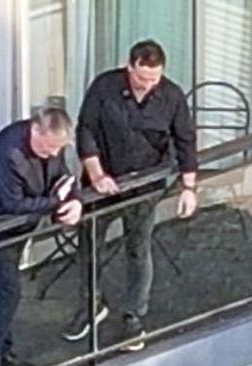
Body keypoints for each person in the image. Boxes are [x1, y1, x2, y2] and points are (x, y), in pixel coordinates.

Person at [61, 40, 198, 351]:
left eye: (154, 79)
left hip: (145, 184)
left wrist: (188, 187)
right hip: (103, 182)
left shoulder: (172, 96)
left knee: (138, 249)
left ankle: (134, 316)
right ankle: (91, 305)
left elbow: (186, 140)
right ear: (130, 66)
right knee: (89, 245)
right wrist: (96, 174)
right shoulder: (105, 87)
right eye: (141, 78)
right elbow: (87, 130)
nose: (148, 86)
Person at [0, 107, 82, 366]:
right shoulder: (9, 152)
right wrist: (56, 202)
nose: (54, 154)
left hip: (18, 226)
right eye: (49, 148)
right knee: (8, 290)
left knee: (5, 290)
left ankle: (3, 353)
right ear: (36, 130)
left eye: (58, 149)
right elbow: (14, 203)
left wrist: (75, 200)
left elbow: (65, 177)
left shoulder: (50, 146)